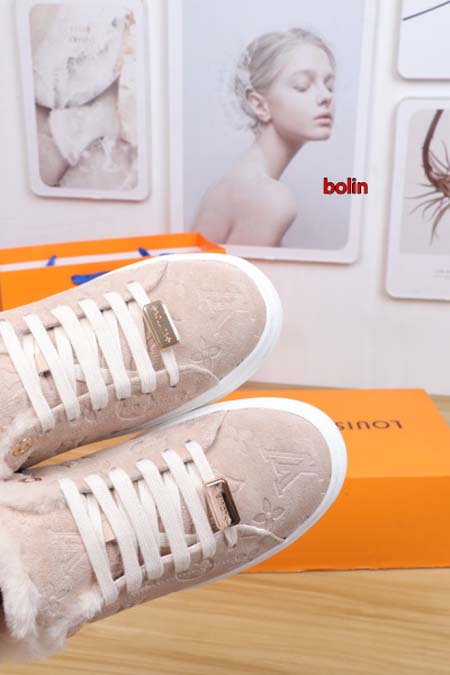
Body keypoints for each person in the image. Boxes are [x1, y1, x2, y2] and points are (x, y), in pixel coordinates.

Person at [193, 28, 336, 246]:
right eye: (303, 86)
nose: (326, 96)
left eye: (329, 86)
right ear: (259, 105)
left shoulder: (229, 185)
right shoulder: (270, 199)